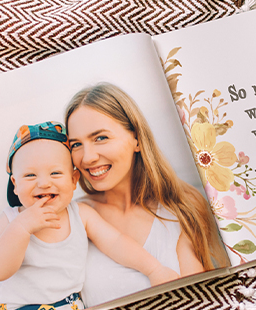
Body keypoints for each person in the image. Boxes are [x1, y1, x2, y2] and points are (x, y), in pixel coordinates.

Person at [0, 121, 179, 310]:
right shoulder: (10, 219)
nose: (43, 183)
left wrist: (154, 269)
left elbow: (116, 243)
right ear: (15, 185)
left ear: (73, 179)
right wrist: (22, 227)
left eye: (55, 173)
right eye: (30, 176)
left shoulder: (80, 215)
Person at [65, 83, 230, 306]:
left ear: (137, 139)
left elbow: (200, 299)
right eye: (76, 144)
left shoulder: (181, 206)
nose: (87, 157)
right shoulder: (71, 217)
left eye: (100, 138)